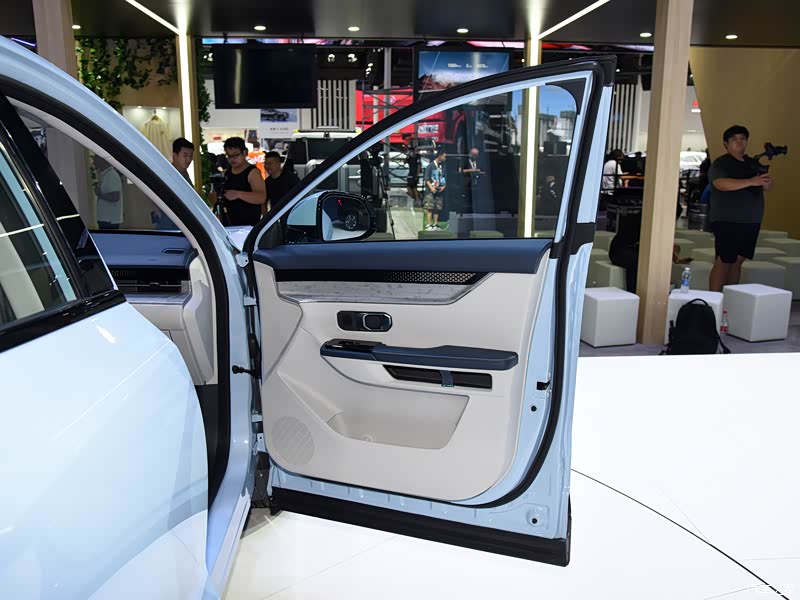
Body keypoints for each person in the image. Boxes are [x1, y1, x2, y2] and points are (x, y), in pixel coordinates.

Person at [708, 125, 774, 292]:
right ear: (726, 143)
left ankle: (730, 296)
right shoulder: (721, 163)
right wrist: (751, 181)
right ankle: (714, 298)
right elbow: (720, 184)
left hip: (751, 219)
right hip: (727, 219)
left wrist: (765, 183)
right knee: (724, 259)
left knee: (738, 260)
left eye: (742, 138)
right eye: (734, 139)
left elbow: (766, 186)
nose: (739, 142)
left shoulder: (752, 163)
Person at [212, 137, 266, 226]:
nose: (232, 159)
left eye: (236, 155)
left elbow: (261, 197)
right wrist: (216, 196)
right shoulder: (225, 173)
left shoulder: (253, 173)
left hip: (247, 226)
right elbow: (214, 198)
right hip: (227, 224)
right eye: (229, 156)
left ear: (244, 153)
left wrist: (238, 194)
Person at [94, 155, 123, 230]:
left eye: (96, 158)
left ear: (103, 160)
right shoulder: (105, 174)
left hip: (109, 220)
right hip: (105, 219)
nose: (94, 161)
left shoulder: (111, 175)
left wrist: (100, 194)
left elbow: (115, 197)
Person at [423, 150, 447, 230]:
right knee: (429, 207)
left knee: (437, 208)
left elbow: (444, 178)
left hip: (439, 190)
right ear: (439, 156)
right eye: (444, 156)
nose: (445, 158)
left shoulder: (442, 166)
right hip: (431, 190)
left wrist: (444, 186)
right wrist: (431, 188)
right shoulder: (430, 166)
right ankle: (429, 224)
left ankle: (435, 224)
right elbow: (426, 179)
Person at [460, 146, 485, 212]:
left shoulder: (479, 162)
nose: (475, 157)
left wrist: (479, 172)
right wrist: (472, 170)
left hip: (477, 181)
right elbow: (461, 171)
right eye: (474, 155)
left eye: (476, 155)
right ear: (471, 154)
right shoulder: (465, 161)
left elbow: (483, 171)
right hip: (468, 182)